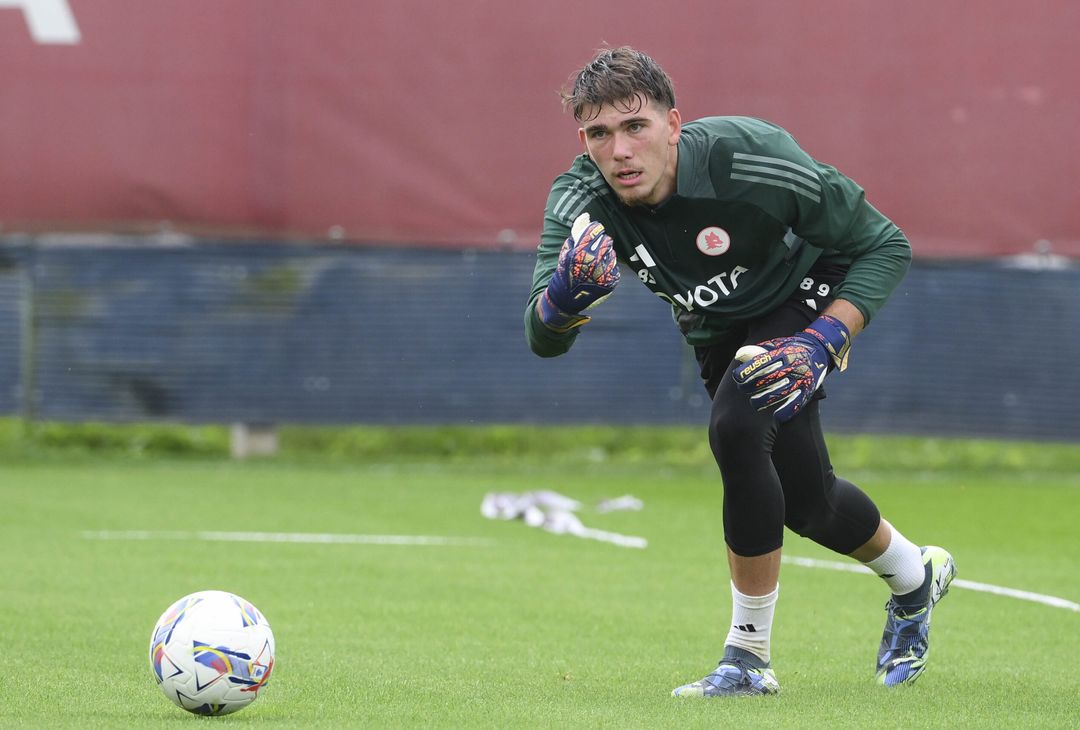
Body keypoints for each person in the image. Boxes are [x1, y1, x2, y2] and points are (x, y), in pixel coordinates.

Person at [524, 46, 956, 697]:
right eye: (599, 134)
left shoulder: (750, 156)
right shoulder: (581, 202)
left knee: (735, 425)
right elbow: (542, 338)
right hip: (719, 329)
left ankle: (748, 658)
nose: (619, 150)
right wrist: (564, 299)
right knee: (809, 504)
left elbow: (882, 242)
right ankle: (914, 576)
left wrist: (820, 341)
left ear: (674, 124)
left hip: (807, 289)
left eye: (635, 126)